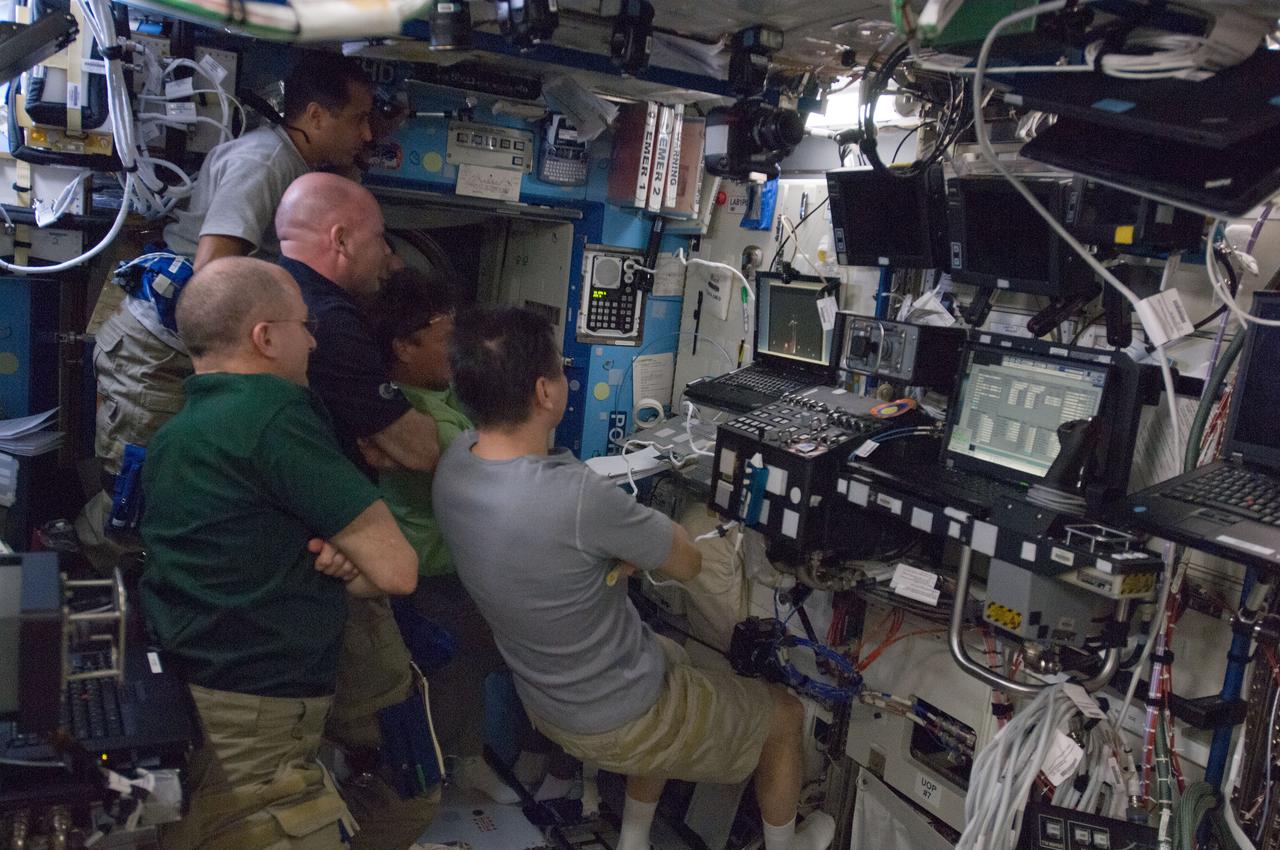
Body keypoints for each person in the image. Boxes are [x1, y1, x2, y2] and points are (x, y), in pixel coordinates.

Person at [433, 307, 836, 850]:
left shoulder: (455, 464)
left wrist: (608, 551)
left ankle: (634, 838)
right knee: (784, 715)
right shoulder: (576, 498)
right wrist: (632, 544)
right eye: (561, 369)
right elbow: (689, 563)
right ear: (544, 393)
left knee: (671, 653)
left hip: (548, 698)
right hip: (615, 715)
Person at [138, 256, 418, 850]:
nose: (314, 340)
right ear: (265, 337)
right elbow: (397, 569)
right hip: (259, 721)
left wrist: (340, 560)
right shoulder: (274, 414)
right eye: (304, 325)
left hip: (196, 695)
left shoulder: (174, 435)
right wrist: (355, 563)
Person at [80, 52, 376, 572]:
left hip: (174, 346)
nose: (368, 135)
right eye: (359, 120)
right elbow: (213, 273)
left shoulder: (288, 162)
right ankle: (93, 603)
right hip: (159, 353)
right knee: (131, 496)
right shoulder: (265, 163)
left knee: (162, 492)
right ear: (314, 116)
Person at [276, 173, 443, 850]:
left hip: (282, 575)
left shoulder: (271, 289)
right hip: (337, 570)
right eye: (379, 242)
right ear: (341, 239)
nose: (392, 260)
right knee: (409, 777)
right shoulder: (333, 324)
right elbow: (415, 447)